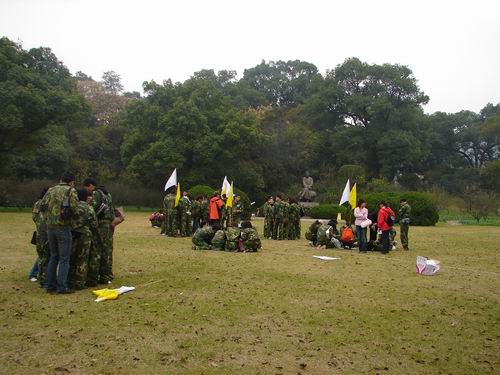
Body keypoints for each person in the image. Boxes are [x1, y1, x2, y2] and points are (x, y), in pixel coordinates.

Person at [41, 173, 79, 293]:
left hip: (50, 227)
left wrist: (49, 217)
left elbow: (42, 205)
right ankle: (62, 286)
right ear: (71, 182)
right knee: (64, 258)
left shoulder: (51, 190)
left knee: (53, 256)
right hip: (63, 227)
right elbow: (75, 208)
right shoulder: (70, 191)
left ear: (60, 180)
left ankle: (49, 285)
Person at [68, 188, 97, 290]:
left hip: (72, 234)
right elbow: (94, 224)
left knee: (71, 258)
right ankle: (80, 282)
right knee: (82, 260)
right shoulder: (89, 208)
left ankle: (69, 281)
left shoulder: (72, 206)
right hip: (85, 236)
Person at [87, 180, 115, 284]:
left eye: (87, 188)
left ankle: (92, 278)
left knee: (96, 250)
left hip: (100, 224)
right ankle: (106, 275)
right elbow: (112, 210)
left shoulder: (96, 193)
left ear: (90, 185)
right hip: (109, 224)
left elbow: (93, 209)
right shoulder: (107, 194)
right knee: (106, 249)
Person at [31, 187, 49, 285]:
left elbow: (34, 217)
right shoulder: (45, 204)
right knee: (44, 256)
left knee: (42, 255)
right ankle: (36, 274)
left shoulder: (37, 203)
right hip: (44, 232)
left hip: (39, 231)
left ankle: (35, 274)